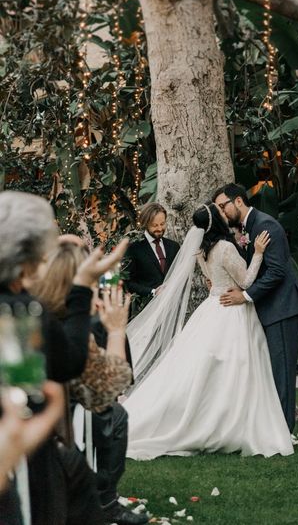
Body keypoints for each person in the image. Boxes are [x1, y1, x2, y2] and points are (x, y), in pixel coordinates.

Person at [124, 202, 294, 459]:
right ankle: (232, 424)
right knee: (239, 368)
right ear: (217, 220)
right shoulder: (225, 248)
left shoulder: (201, 251)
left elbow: (212, 281)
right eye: (222, 213)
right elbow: (246, 280)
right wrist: (258, 252)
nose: (226, 215)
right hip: (232, 311)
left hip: (212, 307)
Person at [0, 190, 129, 525]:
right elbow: (27, 397)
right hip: (19, 459)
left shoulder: (20, 305)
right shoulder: (14, 312)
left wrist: (82, 285)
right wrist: (83, 291)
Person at [30, 238, 146, 525]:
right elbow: (107, 388)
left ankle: (105, 498)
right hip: (40, 449)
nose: (97, 295)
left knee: (113, 415)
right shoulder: (61, 330)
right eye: (91, 287)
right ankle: (98, 500)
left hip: (35, 436)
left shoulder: (25, 311)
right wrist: (117, 330)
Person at [213, 183, 298, 433]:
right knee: (271, 371)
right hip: (270, 308)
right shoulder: (246, 228)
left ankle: (284, 432)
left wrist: (245, 295)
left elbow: (276, 271)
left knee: (282, 372)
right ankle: (274, 427)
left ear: (238, 201)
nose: (222, 213)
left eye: (223, 206)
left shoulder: (266, 225)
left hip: (283, 308)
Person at [122, 202, 180, 315]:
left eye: (162, 224)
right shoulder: (134, 247)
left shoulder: (173, 246)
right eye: (155, 225)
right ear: (145, 223)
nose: (160, 228)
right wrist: (152, 292)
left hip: (171, 310)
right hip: (145, 311)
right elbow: (128, 282)